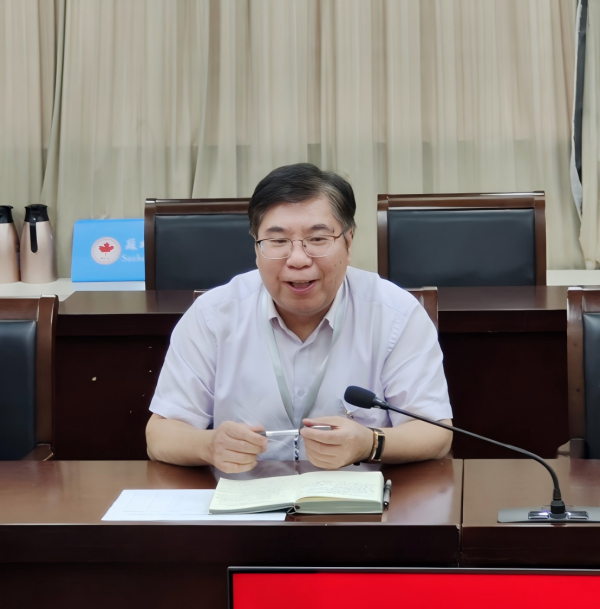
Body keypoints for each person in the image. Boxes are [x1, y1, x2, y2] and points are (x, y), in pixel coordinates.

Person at [146, 163, 453, 472]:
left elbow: (435, 432)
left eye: (317, 239)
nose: (298, 259)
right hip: (245, 498)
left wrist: (369, 443)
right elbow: (160, 435)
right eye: (278, 241)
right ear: (256, 247)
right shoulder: (213, 315)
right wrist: (209, 446)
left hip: (358, 500)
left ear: (348, 241)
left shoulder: (395, 314)